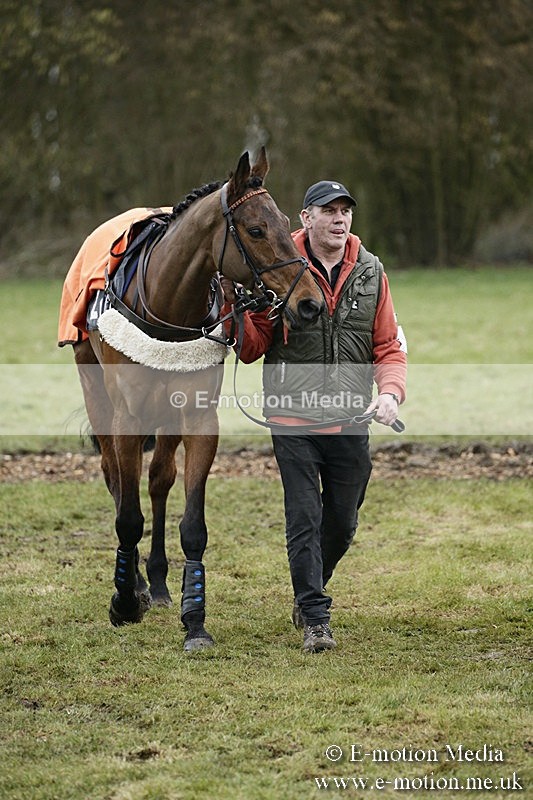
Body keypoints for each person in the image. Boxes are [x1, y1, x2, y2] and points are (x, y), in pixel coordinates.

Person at [221, 180, 407, 653]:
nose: (340, 218)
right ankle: (315, 618)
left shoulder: (370, 271)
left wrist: (390, 394)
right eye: (329, 210)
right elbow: (252, 349)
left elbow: (387, 344)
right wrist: (238, 313)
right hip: (293, 420)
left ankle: (309, 590)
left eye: (346, 210)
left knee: (342, 522)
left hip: (350, 418)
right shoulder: (280, 269)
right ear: (305, 218)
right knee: (303, 515)